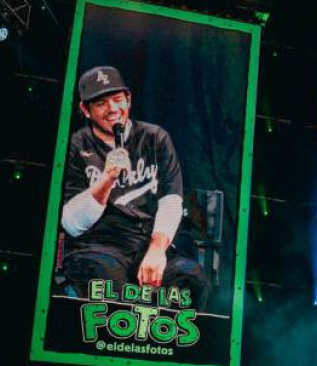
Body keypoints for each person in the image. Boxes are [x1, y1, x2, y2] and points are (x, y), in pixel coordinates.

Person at [59, 65, 209, 306]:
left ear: (128, 99)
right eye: (101, 103)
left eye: (117, 100)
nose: (112, 110)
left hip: (146, 241)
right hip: (98, 243)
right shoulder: (76, 145)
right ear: (85, 110)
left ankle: (157, 342)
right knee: (106, 281)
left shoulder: (155, 137)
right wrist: (107, 179)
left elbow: (171, 200)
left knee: (190, 278)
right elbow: (71, 223)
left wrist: (158, 249)